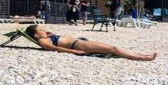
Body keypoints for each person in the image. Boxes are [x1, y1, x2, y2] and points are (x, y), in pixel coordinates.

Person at [25, 25, 156, 61]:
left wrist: (50, 34)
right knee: (113, 48)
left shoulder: (45, 37)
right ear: (36, 35)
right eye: (41, 30)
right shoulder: (42, 41)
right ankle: (142, 57)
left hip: (79, 42)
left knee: (111, 48)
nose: (44, 30)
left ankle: (138, 54)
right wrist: (75, 52)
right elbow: (55, 49)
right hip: (78, 45)